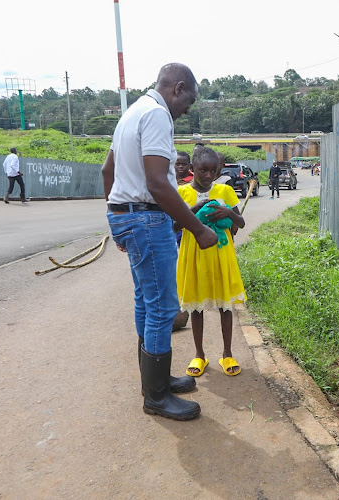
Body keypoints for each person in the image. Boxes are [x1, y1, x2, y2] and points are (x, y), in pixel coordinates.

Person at [101, 63, 218, 422]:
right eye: (190, 101)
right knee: (164, 308)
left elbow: (108, 172)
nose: (188, 109)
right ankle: (156, 396)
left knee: (145, 302)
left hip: (129, 215)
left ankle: (156, 381)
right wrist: (197, 228)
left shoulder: (131, 113)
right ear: (178, 89)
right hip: (146, 218)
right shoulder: (156, 115)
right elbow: (158, 182)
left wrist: (120, 220)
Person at [175, 146, 247, 378]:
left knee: (225, 305)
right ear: (192, 168)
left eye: (212, 171)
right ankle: (199, 354)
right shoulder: (182, 193)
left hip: (221, 255)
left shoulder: (224, 190)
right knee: (196, 305)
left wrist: (229, 214)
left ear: (218, 171)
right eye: (202, 170)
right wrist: (193, 210)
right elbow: (174, 227)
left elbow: (241, 222)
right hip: (194, 255)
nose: (208, 176)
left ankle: (227, 354)